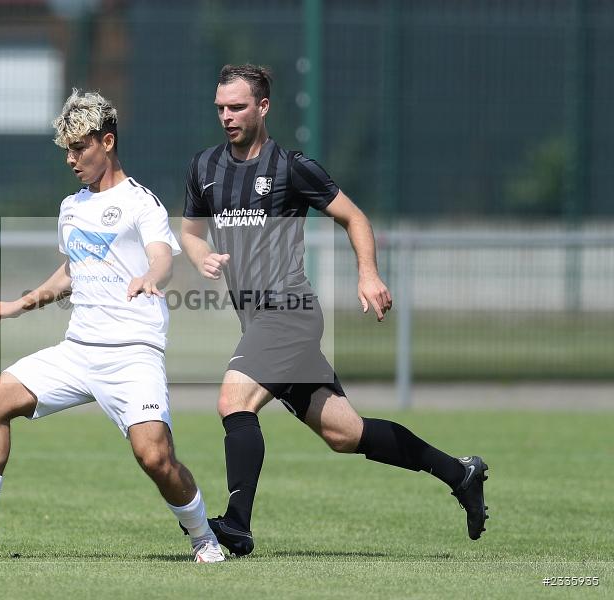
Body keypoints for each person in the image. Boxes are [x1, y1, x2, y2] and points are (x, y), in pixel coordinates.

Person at [179, 64, 488, 556]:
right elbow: (191, 233)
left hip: (290, 312)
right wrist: (201, 257)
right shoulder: (204, 167)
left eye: (237, 107)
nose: (227, 116)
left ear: (263, 107)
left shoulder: (292, 167)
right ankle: (460, 473)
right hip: (257, 319)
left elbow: (354, 217)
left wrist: (368, 273)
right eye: (220, 107)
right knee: (346, 433)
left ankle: (236, 525)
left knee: (233, 402)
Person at [0, 89, 225, 562]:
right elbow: (71, 273)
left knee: (155, 457)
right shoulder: (72, 207)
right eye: (67, 151)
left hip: (132, 353)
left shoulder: (142, 202)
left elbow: (163, 258)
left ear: (108, 141)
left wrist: (149, 277)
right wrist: (17, 305)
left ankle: (204, 537)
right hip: (78, 350)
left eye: (80, 148)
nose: (72, 160)